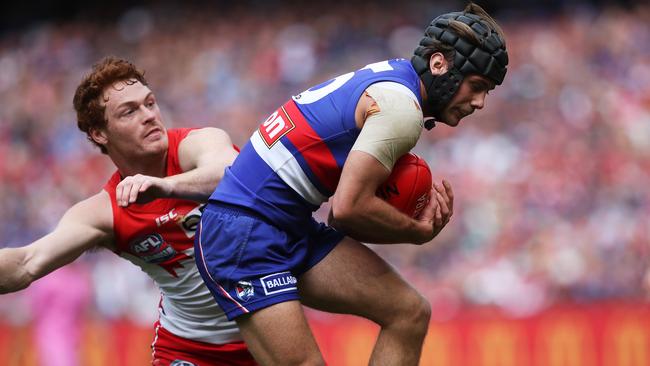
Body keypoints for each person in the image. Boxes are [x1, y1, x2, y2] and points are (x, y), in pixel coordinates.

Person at [195, 3, 508, 365]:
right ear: (440, 65)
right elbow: (346, 211)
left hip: (285, 222)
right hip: (244, 232)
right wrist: (416, 232)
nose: (481, 102)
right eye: (477, 86)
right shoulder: (402, 109)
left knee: (408, 312)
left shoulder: (393, 77)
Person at [0, 57, 257, 366]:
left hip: (266, 321)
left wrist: (165, 186)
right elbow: (26, 263)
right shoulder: (103, 212)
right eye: (130, 111)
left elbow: (229, 173)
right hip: (190, 349)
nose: (149, 116)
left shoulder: (198, 143)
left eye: (150, 103)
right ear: (99, 134)